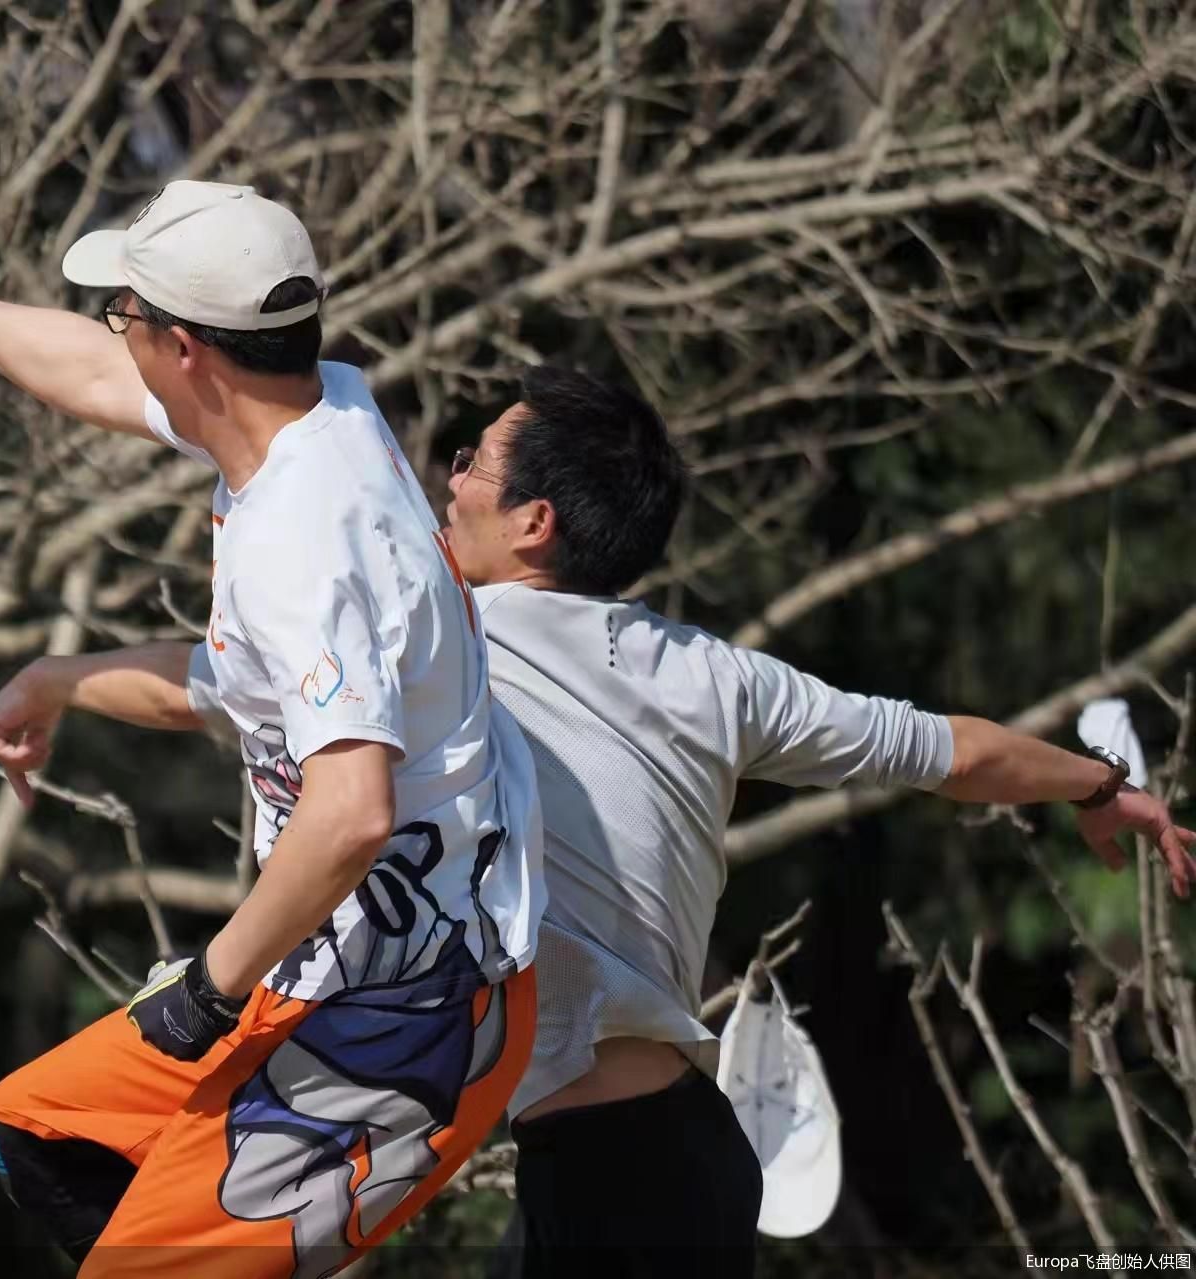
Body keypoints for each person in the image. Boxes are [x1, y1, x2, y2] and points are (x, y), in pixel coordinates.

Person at [0, 182, 547, 1278]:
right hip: (325, 964)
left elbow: (350, 815)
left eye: (125, 315)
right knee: (44, 1129)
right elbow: (97, 376)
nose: (114, 336)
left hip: (408, 1014)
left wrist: (207, 991)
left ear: (186, 349)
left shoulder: (306, 539)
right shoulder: (317, 406)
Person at [431, 363, 1196, 1278]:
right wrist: (1098, 785)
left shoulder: (455, 638)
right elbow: (946, 750)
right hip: (653, 1159)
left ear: (534, 520)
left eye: (471, 461)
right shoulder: (714, 674)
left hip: (622, 1182)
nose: (450, 479)